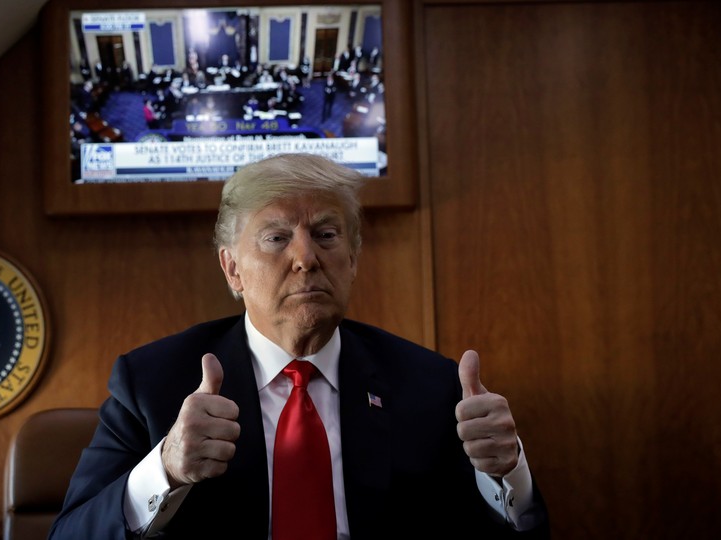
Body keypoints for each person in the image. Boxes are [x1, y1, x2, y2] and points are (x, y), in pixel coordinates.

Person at [49, 153, 549, 539]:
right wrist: (167, 469)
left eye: (327, 234)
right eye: (276, 238)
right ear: (232, 269)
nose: (306, 257)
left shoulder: (429, 386)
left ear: (352, 259)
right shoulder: (153, 384)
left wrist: (509, 475)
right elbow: (70, 534)